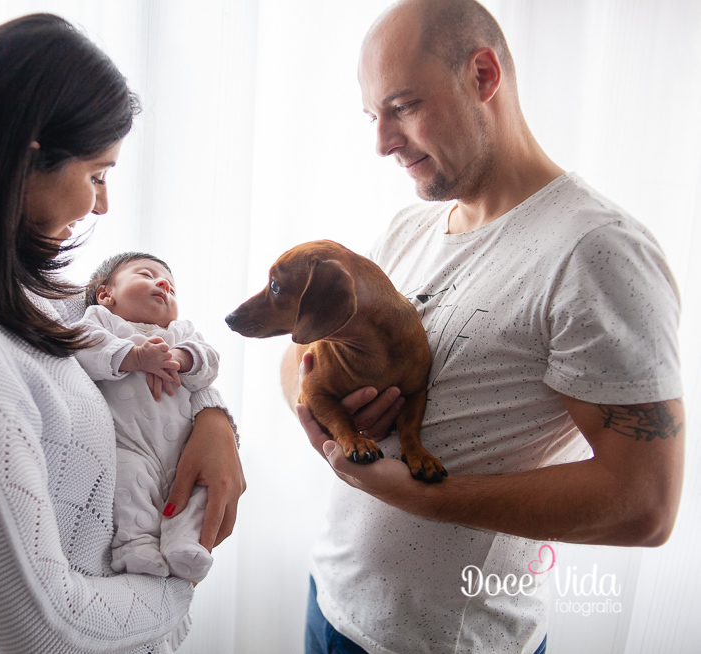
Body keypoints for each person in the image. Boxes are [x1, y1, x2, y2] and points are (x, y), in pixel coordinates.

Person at [282, 1, 685, 653]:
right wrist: (326, 416)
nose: (381, 143)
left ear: (483, 75)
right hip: (332, 605)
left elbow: (644, 505)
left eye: (403, 107)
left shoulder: (597, 252)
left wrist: (414, 492)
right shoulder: (406, 228)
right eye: (372, 116)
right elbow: (303, 342)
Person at [0, 14, 244, 654]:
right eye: (97, 175)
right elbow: (43, 630)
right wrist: (178, 587)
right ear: (27, 155)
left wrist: (215, 421)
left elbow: (130, 343)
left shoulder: (16, 294)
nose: (102, 206)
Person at [74, 252, 223, 583]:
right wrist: (137, 356)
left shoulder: (180, 331)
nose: (164, 285)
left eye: (171, 286)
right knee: (128, 484)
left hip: (185, 451)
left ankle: (183, 543)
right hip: (131, 444)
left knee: (197, 493)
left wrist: (181, 358)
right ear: (105, 294)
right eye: (146, 275)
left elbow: (210, 362)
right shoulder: (103, 322)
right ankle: (134, 544)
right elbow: (83, 347)